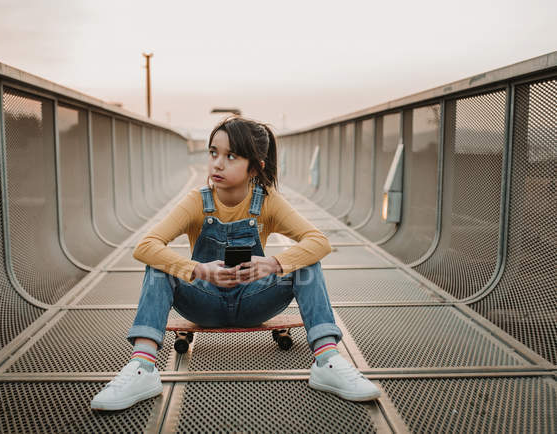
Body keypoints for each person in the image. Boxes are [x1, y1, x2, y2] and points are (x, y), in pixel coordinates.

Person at [90, 116, 381, 411]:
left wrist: (273, 264)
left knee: (305, 265)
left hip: (254, 301)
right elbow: (145, 247)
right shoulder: (197, 201)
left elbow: (319, 242)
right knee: (159, 267)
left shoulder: (267, 201)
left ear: (255, 167)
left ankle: (327, 361)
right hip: (204, 303)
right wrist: (200, 270)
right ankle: (143, 367)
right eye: (213, 153)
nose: (217, 164)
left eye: (231, 156)